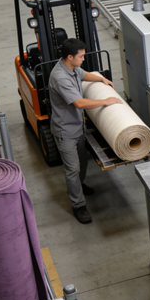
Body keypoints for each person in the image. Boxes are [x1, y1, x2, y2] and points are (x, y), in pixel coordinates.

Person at [49, 38, 122, 224]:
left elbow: (84, 74)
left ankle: (79, 185)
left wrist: (101, 79)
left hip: (78, 126)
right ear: (70, 57)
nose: (83, 59)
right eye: (81, 56)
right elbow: (79, 103)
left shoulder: (71, 68)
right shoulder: (60, 77)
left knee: (82, 161)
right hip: (65, 131)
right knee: (72, 169)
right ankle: (78, 205)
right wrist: (105, 101)